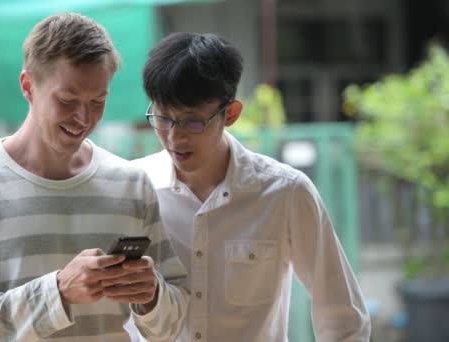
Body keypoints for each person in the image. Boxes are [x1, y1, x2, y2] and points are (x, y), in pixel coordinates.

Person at [0, 13, 188, 342]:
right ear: (27, 86)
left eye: (98, 102)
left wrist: (151, 296)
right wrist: (58, 292)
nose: (83, 117)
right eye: (66, 100)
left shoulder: (131, 184)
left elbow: (172, 326)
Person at [130, 32, 371, 341]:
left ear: (230, 114)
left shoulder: (285, 192)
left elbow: (342, 314)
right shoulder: (133, 188)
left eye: (192, 122)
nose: (175, 138)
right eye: (164, 119)